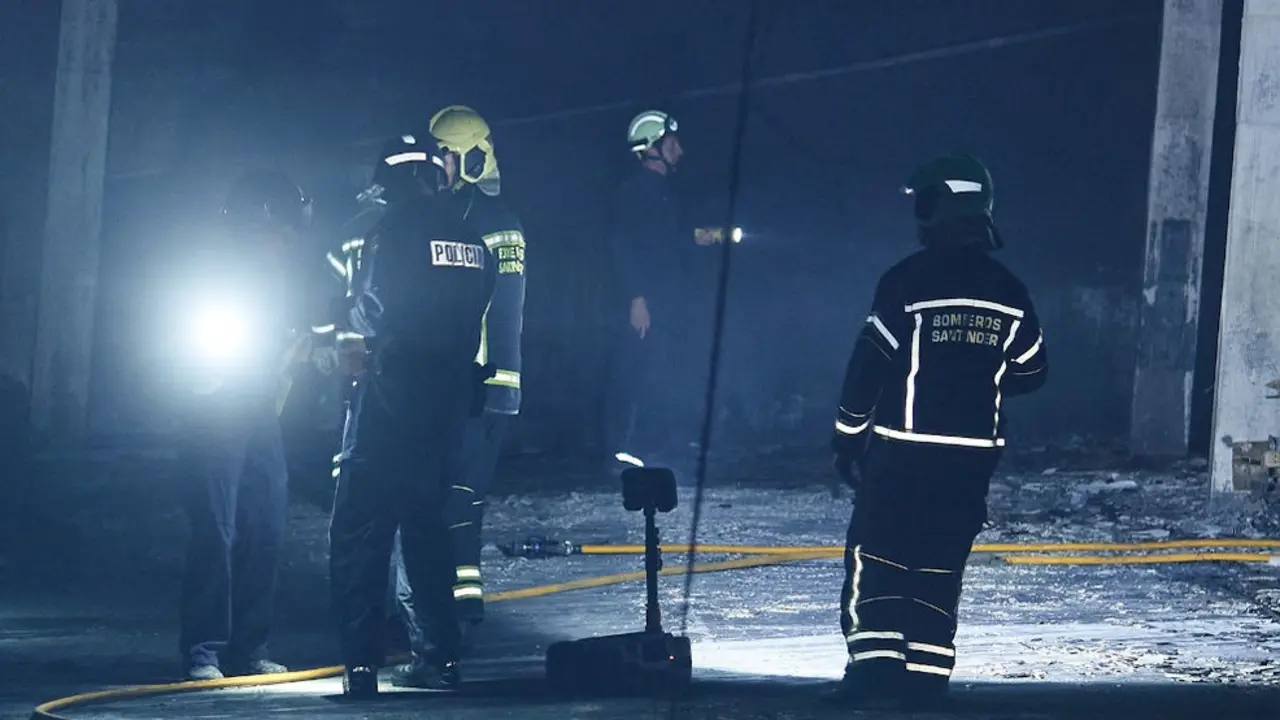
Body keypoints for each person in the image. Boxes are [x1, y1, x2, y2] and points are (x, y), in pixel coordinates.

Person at [828, 154, 1048, 708]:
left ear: (936, 207)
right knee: (939, 562)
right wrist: (982, 380)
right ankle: (926, 679)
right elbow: (1032, 371)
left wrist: (847, 436)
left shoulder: (905, 282)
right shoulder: (1010, 291)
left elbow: (868, 367)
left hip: (903, 450)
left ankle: (874, 677)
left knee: (877, 556)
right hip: (972, 460)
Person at [328, 134, 496, 698]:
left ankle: (360, 666)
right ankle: (441, 659)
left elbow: (371, 310)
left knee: (361, 530)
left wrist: (344, 315)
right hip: (446, 406)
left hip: (391, 398)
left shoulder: (392, 233)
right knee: (427, 530)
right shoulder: (473, 241)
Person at [387, 105, 527, 689]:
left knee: (459, 504)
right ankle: (451, 615)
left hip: (482, 387)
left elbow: (507, 312)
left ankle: (462, 618)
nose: (436, 165)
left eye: (443, 154)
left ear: (468, 156)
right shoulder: (449, 215)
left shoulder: (495, 220)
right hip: (450, 388)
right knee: (443, 501)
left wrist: (498, 384)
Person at [175, 171, 316, 680]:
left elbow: (289, 336)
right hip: (213, 409)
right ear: (257, 224)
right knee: (217, 527)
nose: (285, 245)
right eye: (280, 234)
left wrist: (296, 360)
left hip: (258, 409)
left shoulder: (277, 274)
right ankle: (205, 649)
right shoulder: (210, 271)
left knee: (268, 521)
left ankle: (250, 647)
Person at [609, 109, 722, 476]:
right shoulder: (635, 193)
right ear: (652, 147)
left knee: (670, 369)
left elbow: (666, 242)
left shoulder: (666, 195)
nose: (681, 150)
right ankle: (626, 448)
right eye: (673, 143)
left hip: (672, 297)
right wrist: (637, 298)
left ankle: (666, 445)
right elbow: (624, 246)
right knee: (644, 369)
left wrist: (699, 238)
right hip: (649, 299)